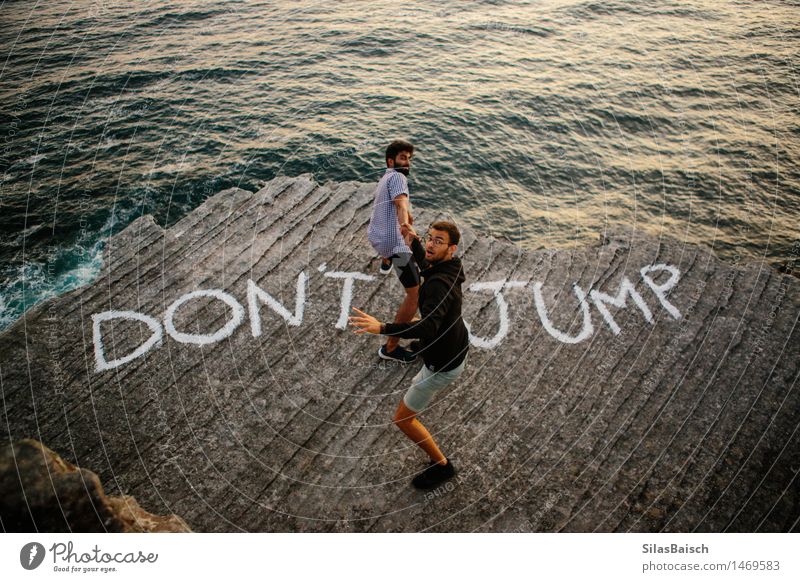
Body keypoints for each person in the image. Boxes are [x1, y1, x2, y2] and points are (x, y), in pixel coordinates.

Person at [349, 221, 469, 490]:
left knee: (403, 419)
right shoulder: (453, 266)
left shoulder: (439, 285)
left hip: (442, 365)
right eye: (430, 238)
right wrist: (412, 240)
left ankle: (442, 466)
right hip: (456, 341)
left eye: (438, 241)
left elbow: (427, 326)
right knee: (427, 323)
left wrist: (382, 327)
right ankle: (419, 347)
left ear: (452, 247)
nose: (430, 244)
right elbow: (427, 265)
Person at [366, 140, 419, 363]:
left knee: (390, 250)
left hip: (376, 236)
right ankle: (390, 347)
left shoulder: (386, 176)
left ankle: (385, 260)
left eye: (409, 158)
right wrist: (405, 225)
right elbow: (401, 204)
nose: (407, 163)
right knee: (414, 293)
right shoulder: (398, 177)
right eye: (402, 158)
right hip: (394, 243)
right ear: (391, 161)